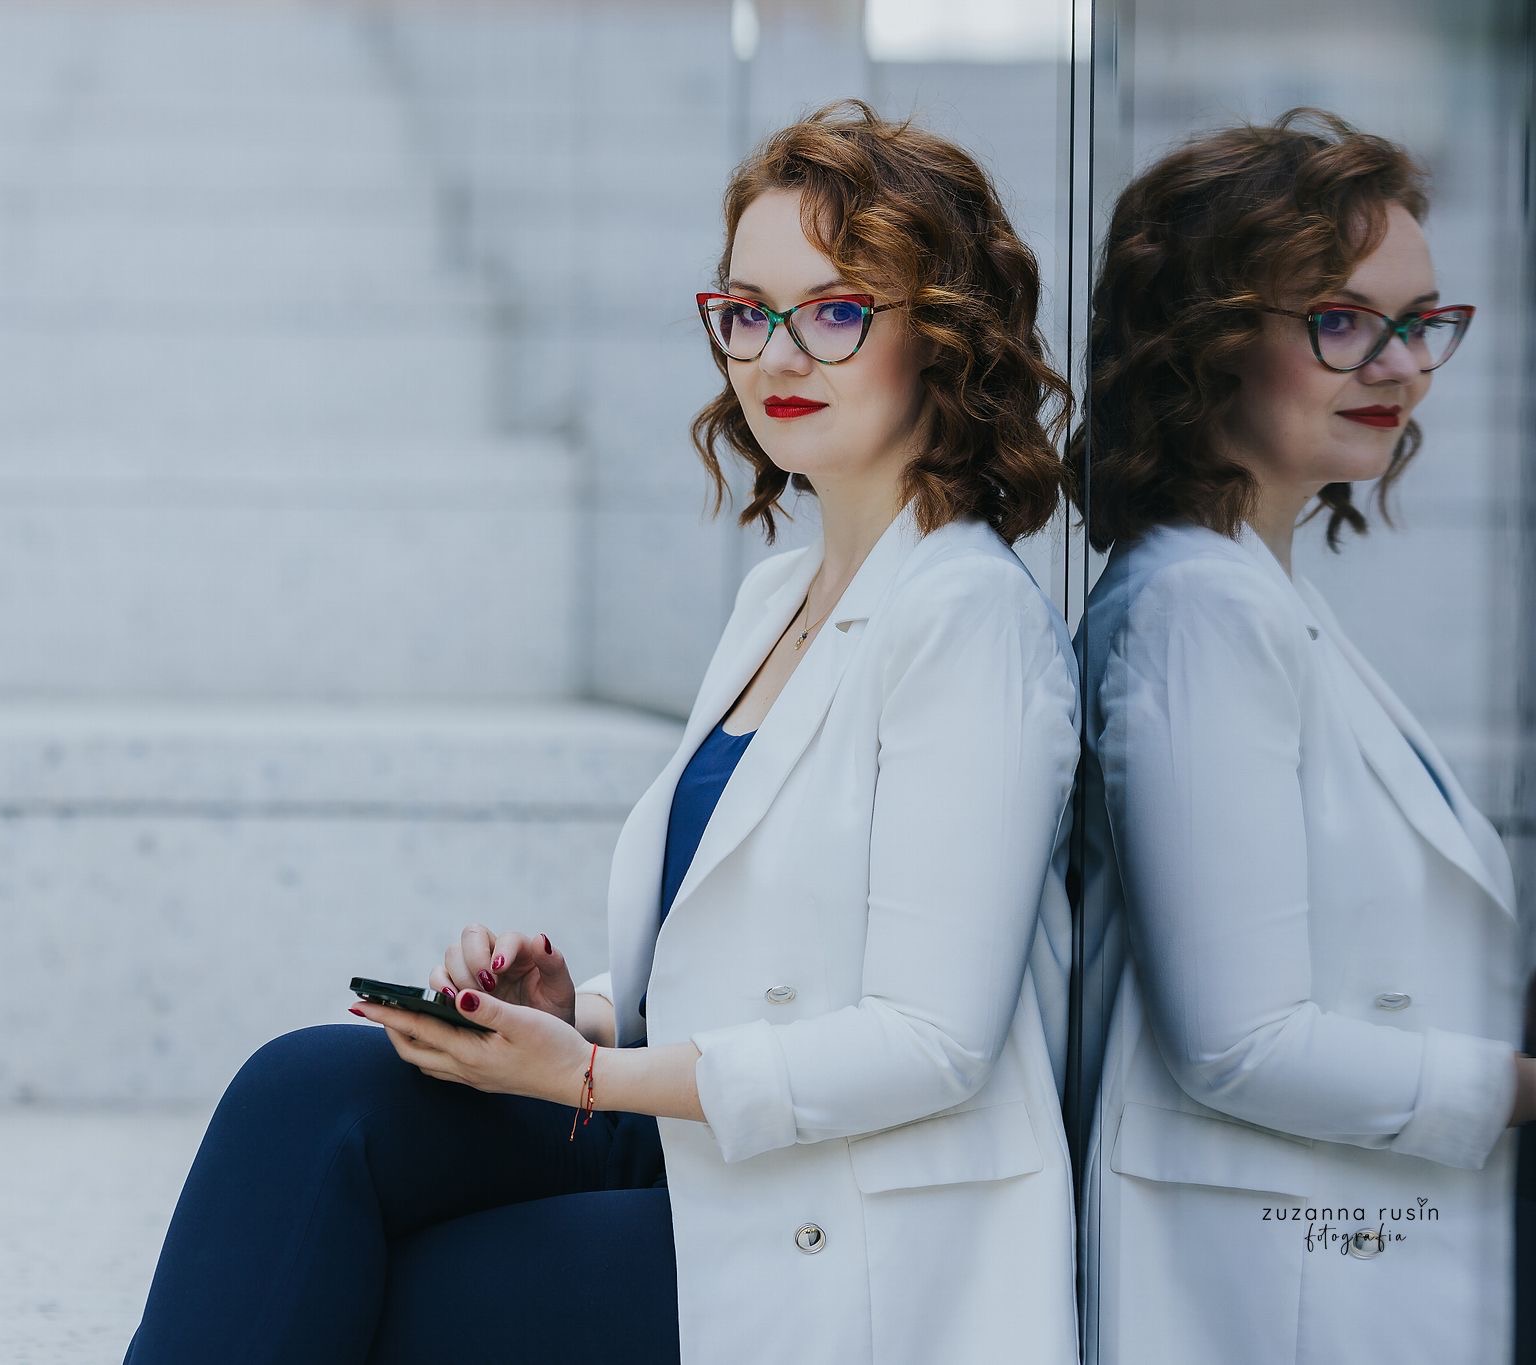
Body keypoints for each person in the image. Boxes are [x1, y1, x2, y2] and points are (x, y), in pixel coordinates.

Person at [121, 97, 1085, 1365]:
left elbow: (930, 1043)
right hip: (709, 1154)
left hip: (839, 1220)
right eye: (745, 311)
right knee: (305, 1091)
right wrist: (578, 1015)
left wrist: (578, 1080)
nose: (776, 356)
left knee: (399, 1285)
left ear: (945, 340)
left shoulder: (968, 619)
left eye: (835, 312)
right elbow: (767, 962)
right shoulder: (776, 600)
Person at [1069, 107, 1535, 1365]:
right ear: (1203, 343)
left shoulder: (1249, 591)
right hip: (1268, 1290)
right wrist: (1515, 1087)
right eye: (1340, 321)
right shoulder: (1197, 608)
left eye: (1419, 322)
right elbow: (1237, 1044)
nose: (1400, 368)